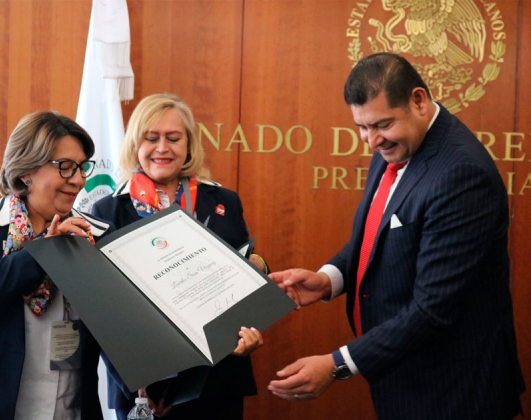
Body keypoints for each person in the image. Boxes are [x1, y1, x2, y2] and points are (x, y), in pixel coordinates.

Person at [268, 53, 525, 419]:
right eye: (361, 127)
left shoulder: (462, 175)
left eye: (381, 125)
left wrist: (338, 363)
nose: (370, 140)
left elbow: (432, 310)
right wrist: (330, 279)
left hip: (453, 390)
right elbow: (381, 234)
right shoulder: (395, 142)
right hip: (403, 376)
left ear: (418, 101)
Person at [91, 93, 265, 420]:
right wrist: (136, 384)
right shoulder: (108, 210)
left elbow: (245, 277)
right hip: (144, 384)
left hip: (218, 373)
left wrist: (247, 331)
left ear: (189, 144)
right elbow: (101, 310)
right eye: (151, 138)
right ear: (134, 144)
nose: (162, 148)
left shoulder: (222, 199)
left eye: (173, 138)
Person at [0, 111, 114, 419]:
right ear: (27, 170)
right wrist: (41, 252)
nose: (80, 180)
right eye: (66, 167)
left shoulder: (94, 236)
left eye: (82, 168)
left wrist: (145, 390)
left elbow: (119, 329)